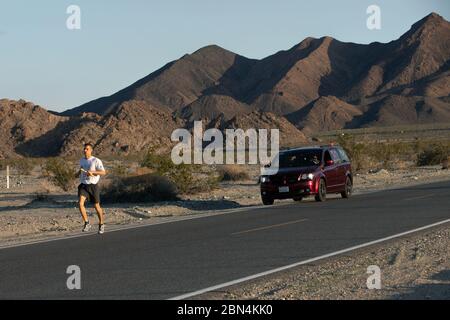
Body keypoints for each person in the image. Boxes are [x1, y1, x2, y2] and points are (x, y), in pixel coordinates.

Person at [78, 142, 107, 234]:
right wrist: (77, 173)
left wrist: (93, 173)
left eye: (87, 149)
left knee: (96, 206)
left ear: (91, 150)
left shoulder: (96, 160)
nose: (85, 150)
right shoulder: (82, 160)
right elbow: (81, 170)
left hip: (93, 186)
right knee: (80, 203)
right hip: (83, 185)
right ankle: (87, 223)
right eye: (84, 149)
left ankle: (101, 224)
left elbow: (103, 172)